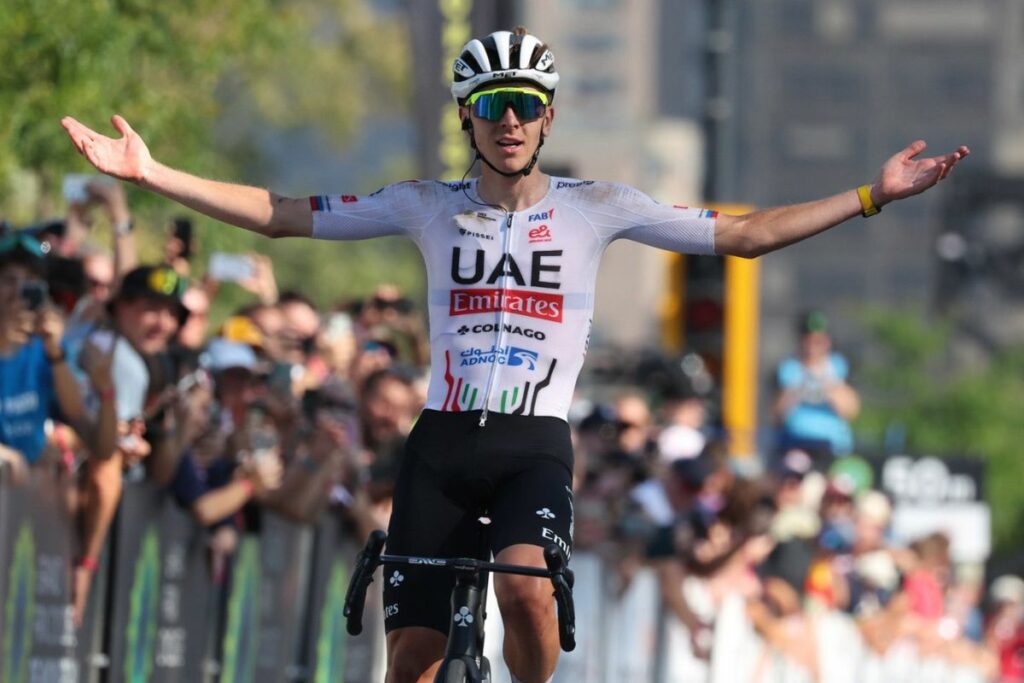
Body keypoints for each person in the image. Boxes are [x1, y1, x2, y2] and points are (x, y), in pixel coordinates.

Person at [61, 25, 969, 683]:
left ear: (547, 116)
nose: (509, 122)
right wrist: (154, 174)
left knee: (529, 592)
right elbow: (284, 214)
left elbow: (746, 235)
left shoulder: (596, 203)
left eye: (525, 107)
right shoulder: (424, 202)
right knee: (410, 655)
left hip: (534, 440)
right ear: (468, 116)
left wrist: (870, 195)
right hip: (444, 439)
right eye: (493, 106)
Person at [773, 309, 861, 459]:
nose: (812, 347)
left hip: (833, 446)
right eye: (808, 341)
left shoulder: (839, 366)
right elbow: (777, 413)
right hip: (797, 445)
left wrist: (826, 383)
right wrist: (797, 388)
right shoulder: (788, 369)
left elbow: (850, 410)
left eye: (818, 342)